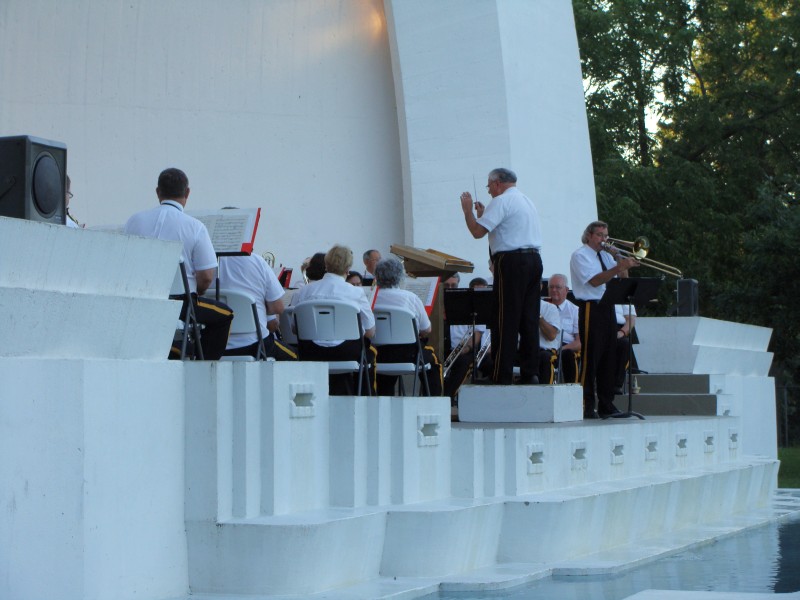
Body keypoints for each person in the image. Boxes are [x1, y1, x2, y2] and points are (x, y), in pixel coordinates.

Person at [124, 167, 233, 360]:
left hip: (141, 299)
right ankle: (202, 365)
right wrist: (197, 292)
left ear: (158, 192)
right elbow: (206, 277)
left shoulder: (134, 221)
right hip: (180, 303)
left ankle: (177, 350)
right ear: (187, 193)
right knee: (225, 316)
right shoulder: (195, 227)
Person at [460, 167, 543, 385]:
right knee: (528, 318)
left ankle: (501, 374)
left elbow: (477, 232)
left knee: (505, 318)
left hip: (511, 262)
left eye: (489, 186)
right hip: (534, 260)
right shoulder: (526, 201)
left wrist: (467, 211)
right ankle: (530, 373)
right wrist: (483, 215)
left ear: (497, 183)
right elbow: (505, 230)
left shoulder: (501, 201)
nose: (488, 191)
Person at [569, 221, 640, 418]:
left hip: (608, 306)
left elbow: (622, 279)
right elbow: (595, 281)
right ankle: (586, 404)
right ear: (589, 236)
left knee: (609, 357)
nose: (604, 239)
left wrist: (620, 260)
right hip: (591, 307)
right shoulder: (580, 255)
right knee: (591, 356)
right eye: (600, 235)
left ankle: (606, 404)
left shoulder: (606, 256)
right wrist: (618, 268)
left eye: (606, 235)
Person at [291, 245, 376, 395]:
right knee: (370, 354)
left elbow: (295, 328)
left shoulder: (305, 290)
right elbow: (370, 332)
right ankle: (364, 399)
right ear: (348, 269)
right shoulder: (356, 293)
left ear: (326, 265)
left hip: (311, 352)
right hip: (347, 352)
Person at [372, 257, 443, 396]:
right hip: (408, 355)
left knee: (384, 377)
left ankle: (383, 400)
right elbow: (427, 329)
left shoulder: (371, 297)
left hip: (378, 354)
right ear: (400, 276)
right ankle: (432, 401)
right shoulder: (411, 298)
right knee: (434, 362)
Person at [217, 246, 297, 361]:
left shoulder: (206, 263)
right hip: (254, 344)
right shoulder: (257, 261)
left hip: (214, 346)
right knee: (296, 357)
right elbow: (278, 307)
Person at [443, 277, 490, 400]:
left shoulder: (479, 308)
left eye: (453, 285)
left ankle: (447, 397)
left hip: (467, 351)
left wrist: (466, 348)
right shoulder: (444, 304)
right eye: (447, 285)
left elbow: (477, 334)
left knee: (465, 362)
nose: (450, 289)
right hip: (447, 348)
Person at [547, 273, 581, 383]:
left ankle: (571, 389)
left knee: (568, 355)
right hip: (547, 345)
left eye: (558, 287)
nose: (554, 290)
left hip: (565, 347)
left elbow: (580, 342)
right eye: (551, 287)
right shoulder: (542, 307)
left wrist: (561, 349)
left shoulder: (575, 310)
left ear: (566, 290)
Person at [613, 303, 638, 394]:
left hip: (619, 329)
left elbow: (631, 319)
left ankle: (616, 384)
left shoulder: (623, 295)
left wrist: (622, 332)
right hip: (599, 328)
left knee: (624, 344)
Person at [537, 299, 562, 384]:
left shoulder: (550, 308)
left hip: (544, 350)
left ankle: (545, 391)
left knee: (545, 358)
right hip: (522, 350)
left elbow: (551, 336)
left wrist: (538, 315)